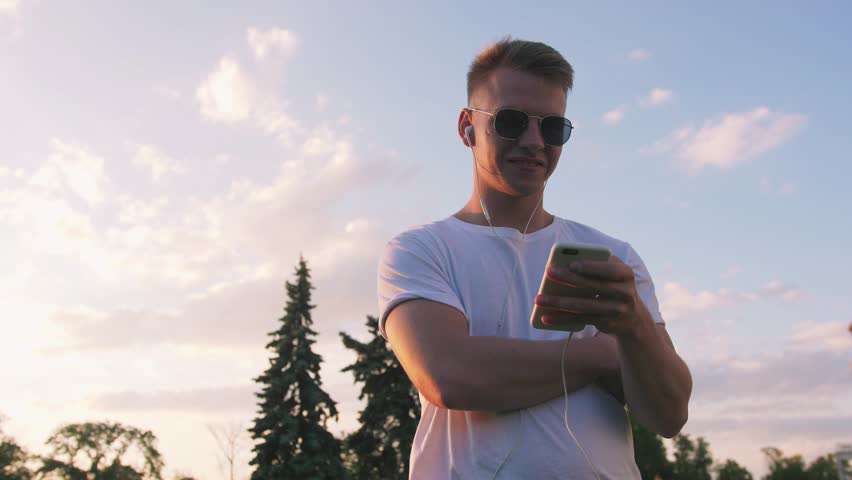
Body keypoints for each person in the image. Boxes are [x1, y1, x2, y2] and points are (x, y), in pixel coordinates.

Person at [377, 37, 692, 479]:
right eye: (510, 121)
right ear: (467, 126)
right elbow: (450, 376)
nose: (533, 141)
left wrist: (636, 326)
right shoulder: (420, 250)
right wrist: (605, 354)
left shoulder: (615, 259)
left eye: (552, 127)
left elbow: (669, 415)